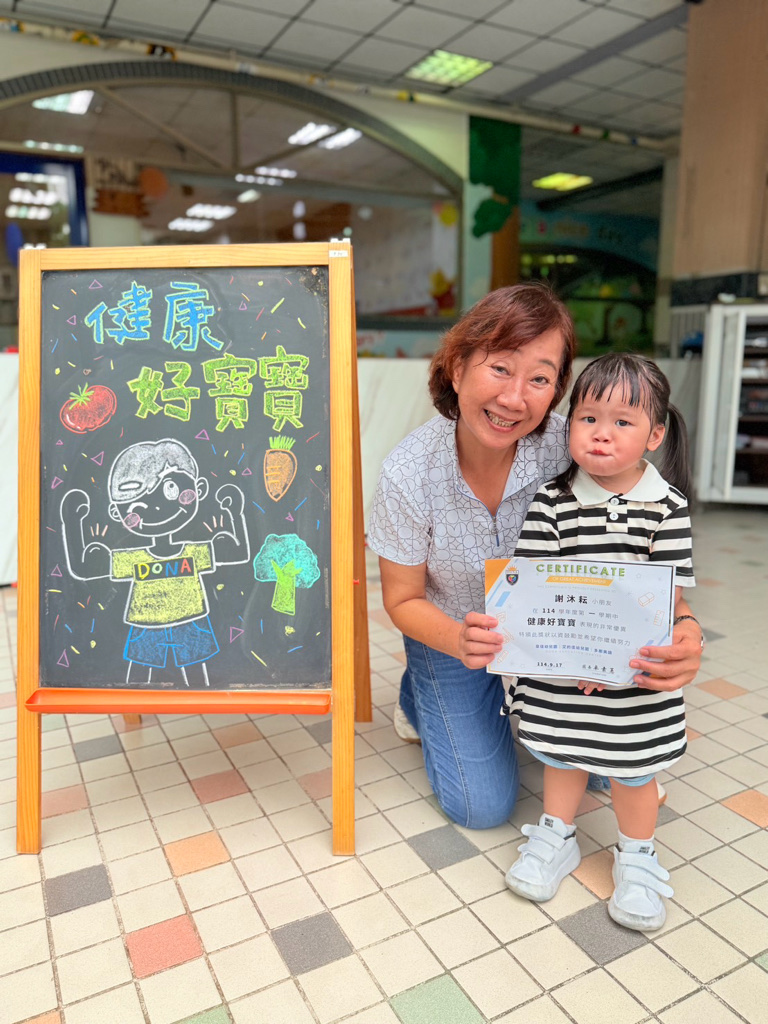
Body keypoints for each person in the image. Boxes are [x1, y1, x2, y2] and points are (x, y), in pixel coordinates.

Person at [367, 284, 704, 832]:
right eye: (500, 368)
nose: (514, 398)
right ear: (458, 367)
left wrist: (685, 629)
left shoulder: (576, 446)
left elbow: (639, 557)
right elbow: (401, 599)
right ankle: (419, 692)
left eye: (540, 379)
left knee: (609, 767)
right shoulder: (408, 474)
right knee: (482, 807)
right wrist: (457, 640)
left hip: (564, 632)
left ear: (557, 392)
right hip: (453, 633)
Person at [503, 352, 696, 931]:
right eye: (588, 418)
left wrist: (614, 662)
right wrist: (574, 656)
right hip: (564, 665)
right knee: (563, 753)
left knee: (634, 768)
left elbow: (664, 595)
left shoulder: (667, 507)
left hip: (635, 674)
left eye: (622, 422)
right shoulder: (551, 501)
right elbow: (534, 582)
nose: (601, 434)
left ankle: (636, 856)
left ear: (654, 436)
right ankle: (556, 836)